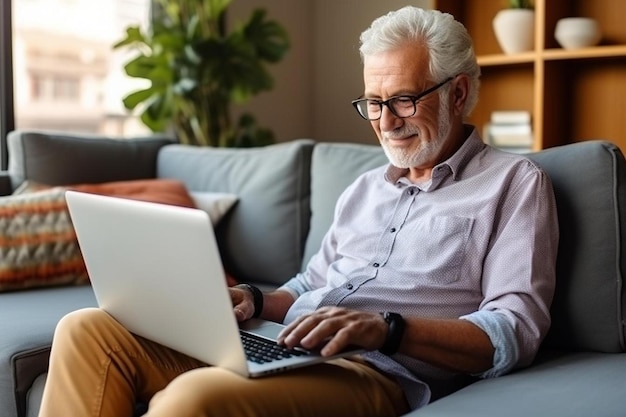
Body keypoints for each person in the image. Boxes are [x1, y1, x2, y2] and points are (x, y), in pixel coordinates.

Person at [38, 6, 558, 417]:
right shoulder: (363, 189)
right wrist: (252, 299)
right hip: (285, 345)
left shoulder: (513, 184)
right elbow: (309, 285)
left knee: (193, 398)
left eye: (402, 99)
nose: (384, 121)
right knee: (87, 329)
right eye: (372, 103)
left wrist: (386, 327)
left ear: (458, 93)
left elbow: (515, 332)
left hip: (373, 373)